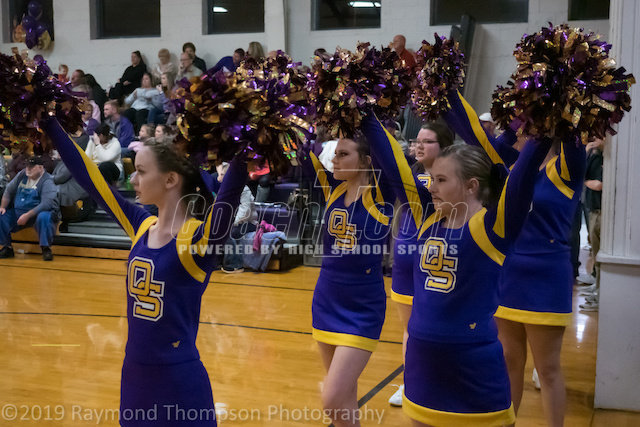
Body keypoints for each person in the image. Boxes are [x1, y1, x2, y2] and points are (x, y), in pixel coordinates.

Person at [41, 116, 246, 426]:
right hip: (135, 379)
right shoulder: (141, 226)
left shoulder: (198, 239)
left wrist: (248, 139)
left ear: (170, 179)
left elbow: (230, 193)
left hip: (180, 383)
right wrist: (48, 121)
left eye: (141, 171)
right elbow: (91, 179)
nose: (133, 179)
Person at [363, 111, 555, 427]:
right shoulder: (425, 217)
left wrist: (546, 113)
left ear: (470, 186)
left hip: (474, 371)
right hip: (422, 367)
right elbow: (393, 162)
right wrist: (362, 114)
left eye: (441, 180)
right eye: (432, 179)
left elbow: (525, 170)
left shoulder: (494, 227)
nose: (431, 187)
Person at [443, 90, 585, 427]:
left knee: (547, 368)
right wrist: (444, 91)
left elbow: (573, 129)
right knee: (508, 360)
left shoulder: (565, 168)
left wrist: (556, 90)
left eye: (528, 123)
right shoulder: (508, 167)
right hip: (507, 275)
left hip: (546, 276)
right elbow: (477, 137)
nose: (521, 130)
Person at [302, 131, 393, 427]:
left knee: (331, 398)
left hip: (362, 306)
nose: (335, 159)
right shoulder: (332, 189)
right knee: (344, 398)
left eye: (344, 154)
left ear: (365, 161)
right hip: (326, 299)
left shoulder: (380, 195)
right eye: (335, 153)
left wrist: (366, 118)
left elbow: (388, 155)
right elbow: (303, 149)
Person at [387, 122, 454, 407]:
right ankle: (410, 382)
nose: (418, 146)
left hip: (440, 260)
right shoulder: (410, 176)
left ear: (444, 147)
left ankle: (443, 382)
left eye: (427, 141)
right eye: (417, 140)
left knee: (441, 326)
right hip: (406, 257)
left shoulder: (452, 179)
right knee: (409, 327)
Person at [0, 156, 59, 261]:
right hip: (19, 212)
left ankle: (46, 248)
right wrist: (3, 207)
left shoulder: (48, 181)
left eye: (32, 167)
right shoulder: (22, 174)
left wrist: (27, 215)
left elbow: (46, 204)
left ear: (40, 168)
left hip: (37, 213)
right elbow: (9, 190)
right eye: (27, 166)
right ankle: (7, 247)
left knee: (44, 217)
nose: (28, 169)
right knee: (1, 215)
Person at [217, 162, 257, 273]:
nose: (219, 178)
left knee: (227, 232)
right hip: (233, 222)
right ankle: (217, 262)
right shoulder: (224, 189)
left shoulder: (244, 189)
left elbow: (245, 212)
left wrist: (231, 223)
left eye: (222, 175)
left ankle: (235, 265)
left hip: (248, 223)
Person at [579, 138, 604, 312]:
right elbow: (583, 173)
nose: (595, 140)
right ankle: (597, 286)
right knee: (596, 254)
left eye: (598, 137)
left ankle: (601, 294)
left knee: (601, 255)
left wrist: (586, 182)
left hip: (602, 211)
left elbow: (598, 185)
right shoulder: (595, 156)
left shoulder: (606, 159)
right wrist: (587, 151)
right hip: (593, 209)